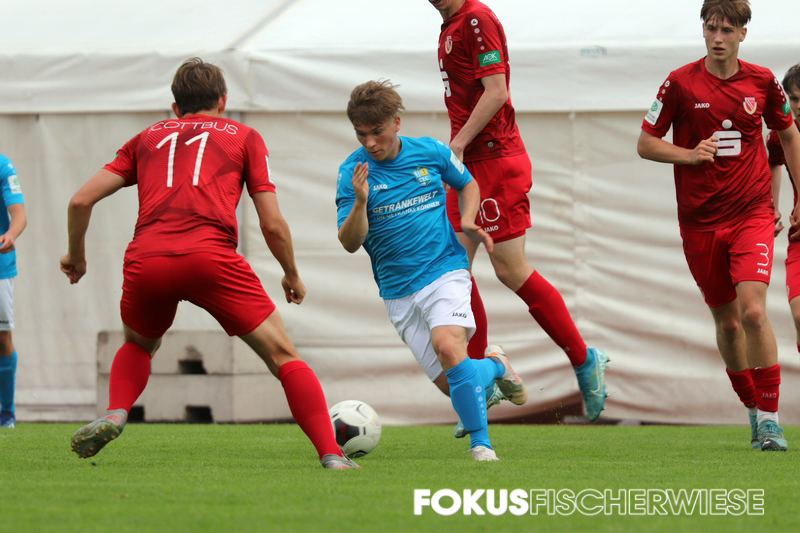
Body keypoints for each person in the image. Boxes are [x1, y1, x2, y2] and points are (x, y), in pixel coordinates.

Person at [60, 58, 359, 469]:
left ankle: (116, 411)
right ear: (223, 100)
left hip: (148, 259)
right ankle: (331, 454)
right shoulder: (244, 137)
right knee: (282, 355)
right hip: (210, 259)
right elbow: (271, 223)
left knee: (138, 345)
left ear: (175, 106)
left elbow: (80, 201)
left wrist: (76, 255)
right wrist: (290, 273)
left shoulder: (146, 138)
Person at [427, 0, 608, 430]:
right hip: (469, 166)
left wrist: (457, 144)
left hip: (494, 160)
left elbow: (497, 91)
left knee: (509, 269)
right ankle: (482, 379)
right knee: (452, 270)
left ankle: (584, 359)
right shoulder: (450, 24)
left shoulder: (476, 18)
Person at [637, 0, 800, 451]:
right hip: (699, 223)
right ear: (703, 30)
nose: (718, 38)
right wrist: (688, 154)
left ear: (743, 34)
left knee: (753, 312)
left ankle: (770, 419)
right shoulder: (679, 82)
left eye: (727, 30)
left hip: (751, 214)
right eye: (712, 28)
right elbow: (645, 143)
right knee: (728, 325)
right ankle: (752, 409)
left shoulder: (763, 81)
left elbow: (789, 135)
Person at [336, 79, 527, 461]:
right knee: (453, 384)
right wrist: (359, 202)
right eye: (361, 134)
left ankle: (482, 446)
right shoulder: (351, 173)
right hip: (397, 290)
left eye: (377, 132)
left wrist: (468, 220)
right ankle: (495, 367)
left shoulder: (431, 152)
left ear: (396, 123)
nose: (370, 142)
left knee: (448, 347)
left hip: (444, 269)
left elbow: (467, 184)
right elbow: (350, 242)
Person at [767, 63, 800, 353]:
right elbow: (774, 161)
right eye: (795, 99)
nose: (799, 106)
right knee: (799, 313)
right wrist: (773, 208)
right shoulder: (782, 133)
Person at [0, 153, 26, 429]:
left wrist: (11, 234)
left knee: (2, 338)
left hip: (0, 266)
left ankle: (6, 411)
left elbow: (19, 213)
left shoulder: (3, 166)